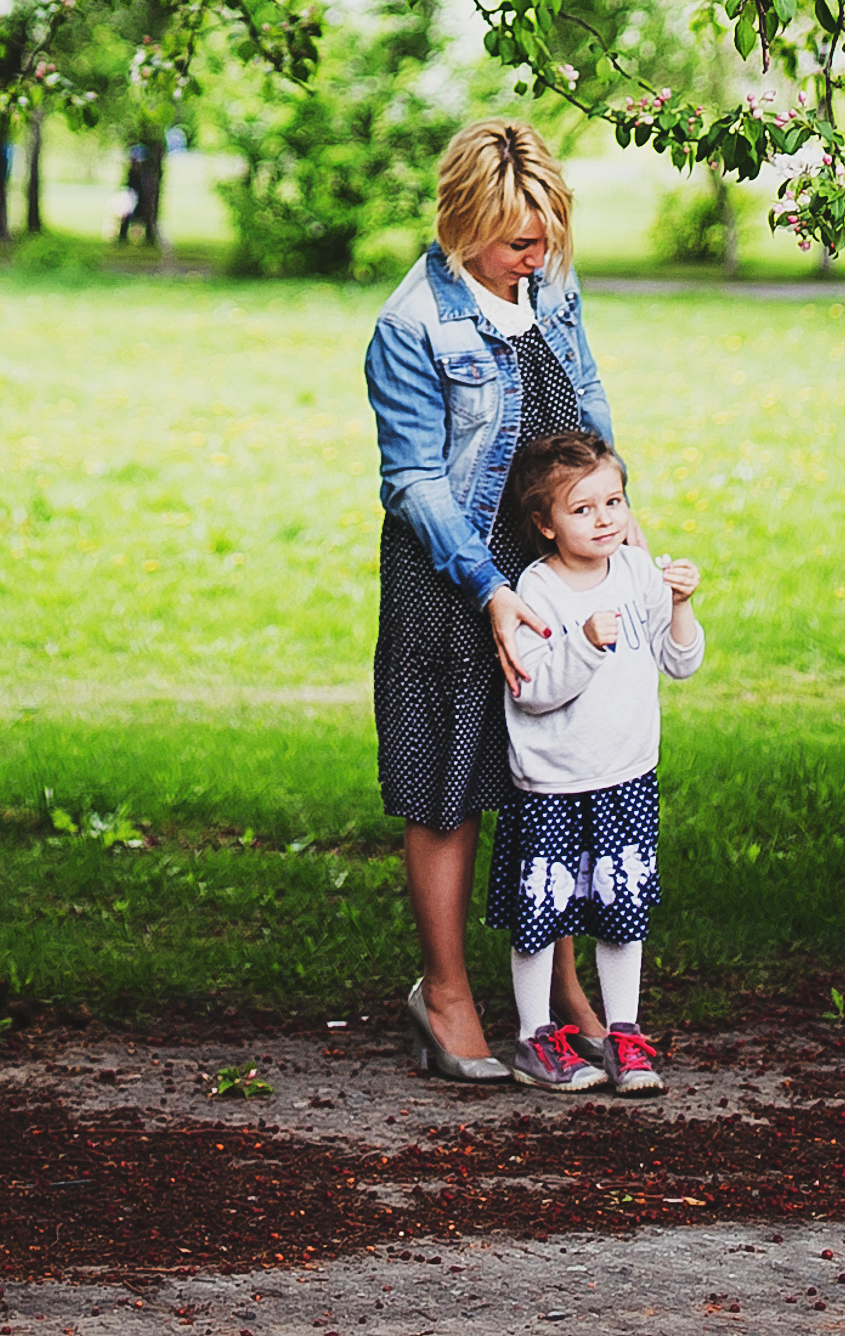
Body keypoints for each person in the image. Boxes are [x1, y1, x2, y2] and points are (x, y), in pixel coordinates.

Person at [365, 119, 616, 1086]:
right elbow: (414, 482)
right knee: (448, 785)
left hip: (551, 566)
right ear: (465, 224)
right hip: (453, 578)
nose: (538, 254)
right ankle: (446, 993)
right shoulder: (409, 325)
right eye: (517, 238)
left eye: (548, 231)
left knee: (543, 778)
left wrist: (612, 521)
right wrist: (492, 590)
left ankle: (560, 996)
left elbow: (585, 399)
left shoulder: (550, 284)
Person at [487, 428, 703, 1096]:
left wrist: (679, 606)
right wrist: (583, 644)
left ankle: (624, 1034)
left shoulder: (636, 571)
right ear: (544, 525)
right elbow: (533, 691)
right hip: (553, 784)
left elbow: (681, 663)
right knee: (542, 913)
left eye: (613, 502)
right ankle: (533, 1037)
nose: (604, 518)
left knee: (622, 911)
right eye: (582, 510)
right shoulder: (537, 590)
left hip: (625, 776)